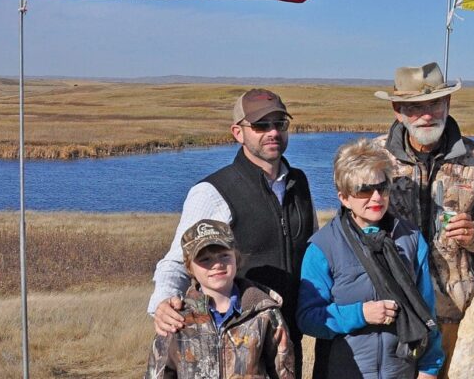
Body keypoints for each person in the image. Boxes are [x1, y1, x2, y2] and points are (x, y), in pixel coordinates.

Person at [150, 88, 317, 374]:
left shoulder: (298, 183)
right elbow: (177, 261)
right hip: (235, 347)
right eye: (261, 125)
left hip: (287, 339)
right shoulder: (213, 191)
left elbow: (313, 251)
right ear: (237, 133)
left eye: (280, 124)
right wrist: (163, 304)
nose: (273, 132)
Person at [371, 62, 474, 373]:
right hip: (390, 312)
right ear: (398, 110)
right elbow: (350, 226)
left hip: (454, 311)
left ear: (447, 104)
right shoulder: (373, 158)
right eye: (415, 107)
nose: (427, 114)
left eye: (435, 103)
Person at [299, 138, 443, 378]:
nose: (376, 197)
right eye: (364, 189)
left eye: (383, 187)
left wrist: (429, 369)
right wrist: (361, 314)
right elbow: (308, 319)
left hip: (400, 371)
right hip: (342, 372)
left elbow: (427, 311)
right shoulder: (323, 247)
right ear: (344, 197)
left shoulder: (411, 239)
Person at [146, 219, 296, 379]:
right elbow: (159, 373)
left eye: (224, 256)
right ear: (189, 267)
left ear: (236, 258)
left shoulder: (264, 313)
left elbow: (283, 371)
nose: (217, 264)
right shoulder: (176, 319)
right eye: (205, 259)